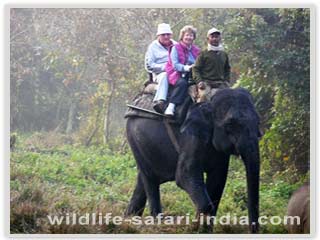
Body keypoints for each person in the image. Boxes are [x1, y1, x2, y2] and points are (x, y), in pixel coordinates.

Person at [163, 25, 200, 116]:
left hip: (194, 75)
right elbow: (175, 65)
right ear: (182, 36)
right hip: (178, 74)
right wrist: (186, 68)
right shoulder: (175, 48)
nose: (189, 37)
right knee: (182, 84)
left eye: (191, 35)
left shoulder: (196, 50)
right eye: (187, 35)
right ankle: (171, 106)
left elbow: (200, 63)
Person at [192, 27, 231, 102]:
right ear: (208, 39)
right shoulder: (203, 53)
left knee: (229, 98)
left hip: (220, 82)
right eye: (212, 37)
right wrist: (199, 81)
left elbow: (227, 69)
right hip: (206, 82)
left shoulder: (224, 54)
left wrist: (227, 81)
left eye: (216, 37)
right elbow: (195, 68)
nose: (214, 39)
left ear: (220, 38)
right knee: (203, 97)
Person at [145, 23, 176, 113]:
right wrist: (166, 67)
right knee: (164, 75)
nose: (166, 37)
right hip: (160, 74)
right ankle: (160, 101)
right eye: (163, 35)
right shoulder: (152, 47)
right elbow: (149, 65)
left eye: (168, 34)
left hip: (176, 73)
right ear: (158, 36)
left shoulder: (176, 45)